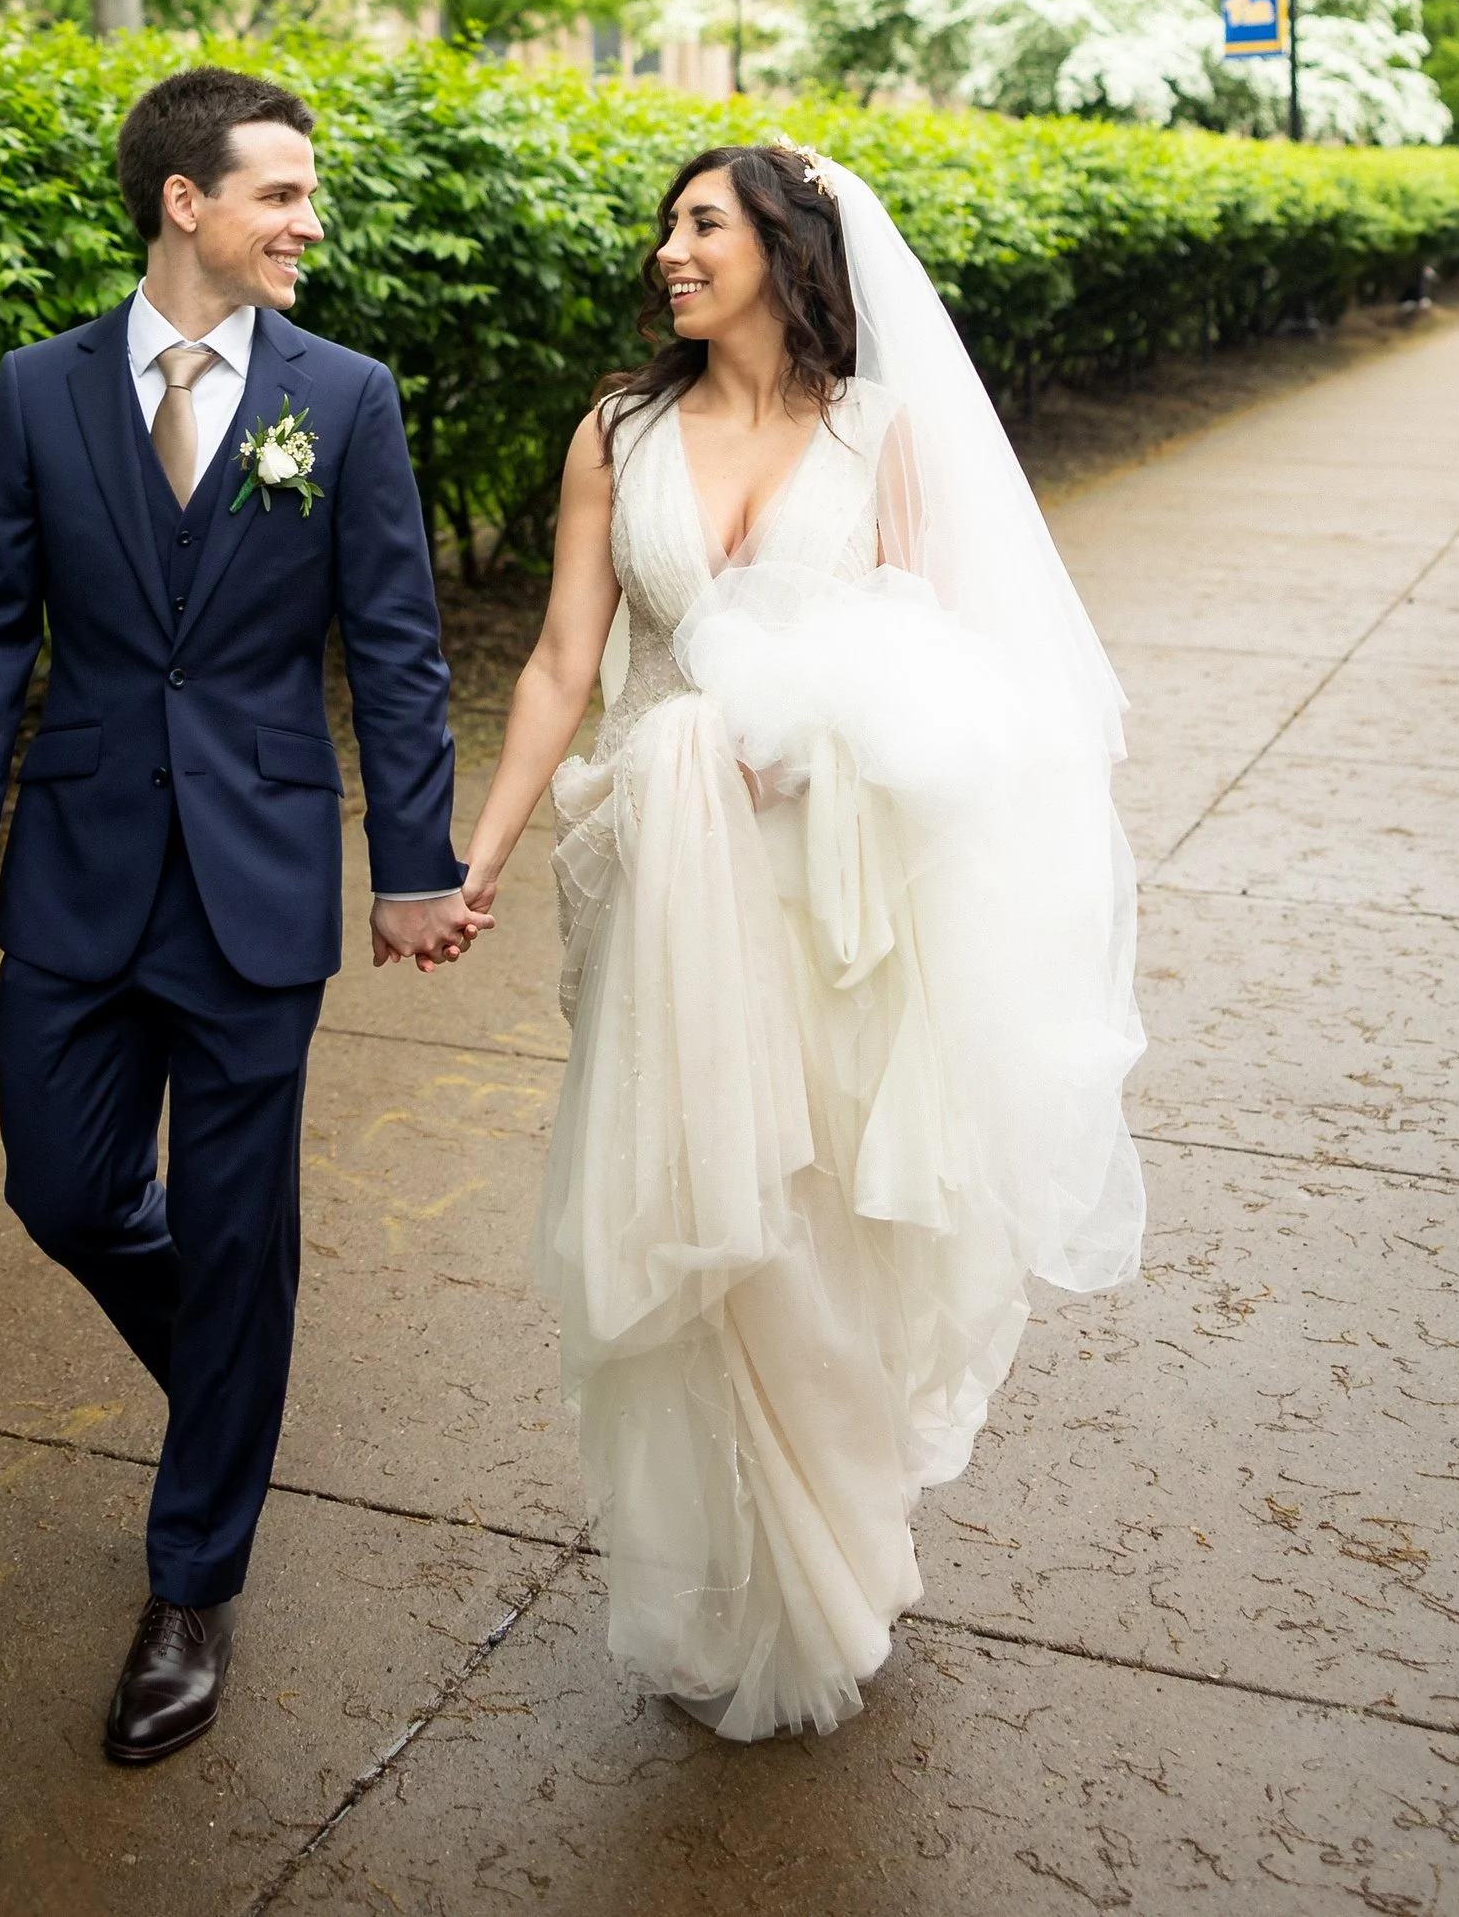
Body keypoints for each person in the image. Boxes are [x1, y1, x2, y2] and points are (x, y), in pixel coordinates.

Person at [459, 137, 1144, 1738]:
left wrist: (822, 736)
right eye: (667, 227)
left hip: (826, 888)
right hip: (662, 878)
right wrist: (475, 849)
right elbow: (566, 661)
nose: (670, 251)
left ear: (785, 245)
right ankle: (729, 1577)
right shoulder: (615, 435)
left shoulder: (880, 433)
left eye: (703, 223)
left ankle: (834, 1555)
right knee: (694, 1224)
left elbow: (940, 660)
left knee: (817, 1231)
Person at [0, 65, 479, 1768]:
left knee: (239, 1232)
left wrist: (415, 859)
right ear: (185, 202)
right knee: (64, 1184)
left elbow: (394, 641)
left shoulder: (346, 397)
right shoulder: (37, 391)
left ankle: (191, 1579)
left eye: (309, 195)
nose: (311, 221)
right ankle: (233, 1391)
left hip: (257, 879)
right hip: (74, 872)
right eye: (283, 194)